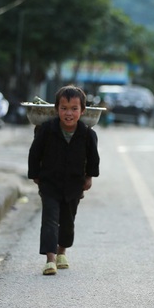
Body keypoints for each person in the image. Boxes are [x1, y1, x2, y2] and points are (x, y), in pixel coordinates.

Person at [28, 85, 100, 275]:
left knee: (68, 221)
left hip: (74, 185)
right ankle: (50, 259)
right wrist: (35, 174)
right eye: (64, 108)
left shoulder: (87, 134)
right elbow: (35, 154)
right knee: (50, 220)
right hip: (49, 183)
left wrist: (89, 177)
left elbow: (93, 159)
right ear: (56, 109)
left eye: (74, 109)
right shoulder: (46, 130)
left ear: (82, 111)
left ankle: (62, 252)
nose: (69, 113)